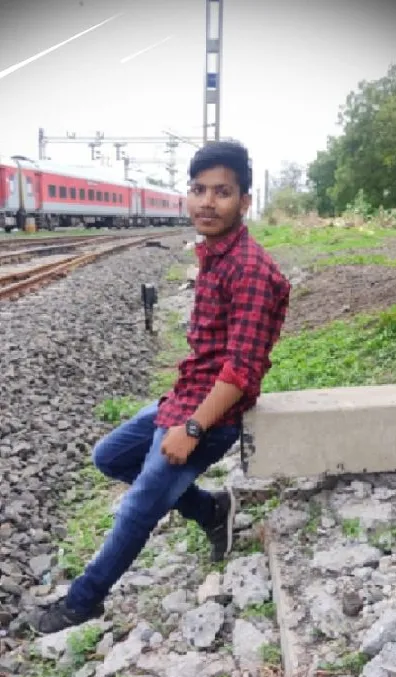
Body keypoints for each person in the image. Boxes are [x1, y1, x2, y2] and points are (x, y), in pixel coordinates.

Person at [31, 140, 291, 635]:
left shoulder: (251, 270)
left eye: (222, 192)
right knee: (109, 457)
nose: (207, 202)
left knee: (139, 507)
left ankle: (84, 602)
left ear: (245, 201)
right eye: (198, 190)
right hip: (183, 396)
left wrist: (191, 428)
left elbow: (241, 371)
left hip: (210, 414)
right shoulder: (216, 253)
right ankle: (212, 508)